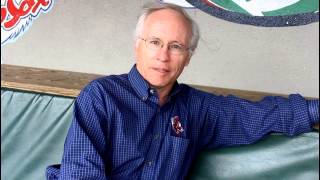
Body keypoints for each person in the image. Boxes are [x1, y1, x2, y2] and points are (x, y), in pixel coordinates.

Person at [46, 2, 319, 180]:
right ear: (137, 46)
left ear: (188, 56)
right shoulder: (101, 97)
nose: (163, 56)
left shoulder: (196, 109)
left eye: (176, 46)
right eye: (155, 42)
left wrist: (313, 110)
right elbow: (80, 175)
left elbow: (259, 116)